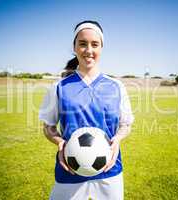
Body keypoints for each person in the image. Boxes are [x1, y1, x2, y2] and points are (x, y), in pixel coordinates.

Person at [39, 20, 134, 200]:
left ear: (101, 48)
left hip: (109, 171)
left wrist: (118, 139)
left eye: (94, 44)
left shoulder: (116, 86)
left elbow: (125, 124)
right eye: (82, 44)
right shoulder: (58, 87)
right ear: (74, 47)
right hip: (69, 170)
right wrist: (60, 142)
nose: (88, 50)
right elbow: (48, 127)